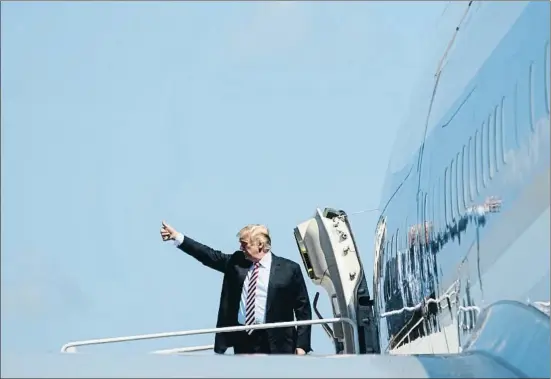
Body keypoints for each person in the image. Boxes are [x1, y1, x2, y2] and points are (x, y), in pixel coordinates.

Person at [160, 221, 313, 355]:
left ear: (260, 244)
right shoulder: (237, 261)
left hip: (277, 343)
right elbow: (208, 256)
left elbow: (302, 308)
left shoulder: (289, 269)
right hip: (244, 339)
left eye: (245, 244)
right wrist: (178, 238)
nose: (241, 248)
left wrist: (302, 345)